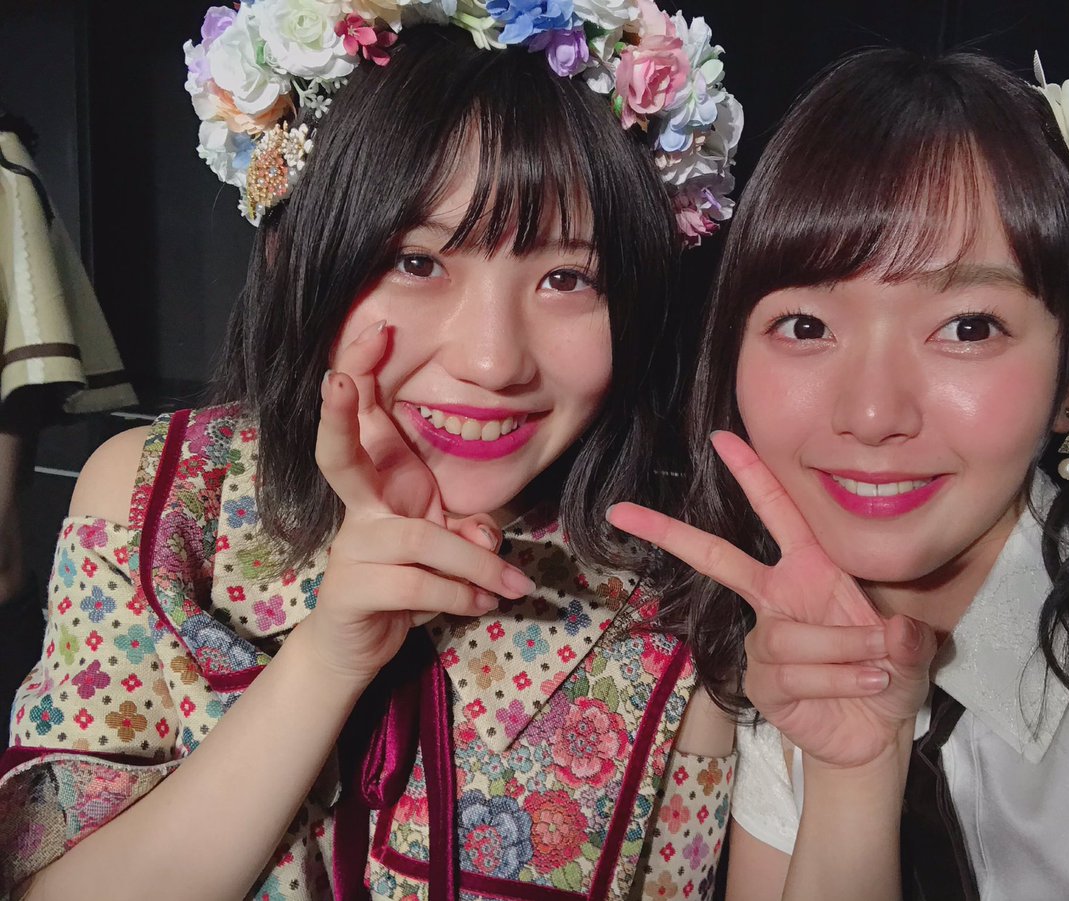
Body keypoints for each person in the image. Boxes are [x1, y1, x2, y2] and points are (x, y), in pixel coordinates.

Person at [0, 2, 742, 898]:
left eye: (566, 277)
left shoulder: (687, 600)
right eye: (417, 262)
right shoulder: (155, 502)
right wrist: (327, 659)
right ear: (296, 255)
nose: (493, 362)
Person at [609, 49, 1069, 900]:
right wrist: (854, 771)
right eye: (805, 325)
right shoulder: (787, 655)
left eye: (968, 327)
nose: (872, 411)